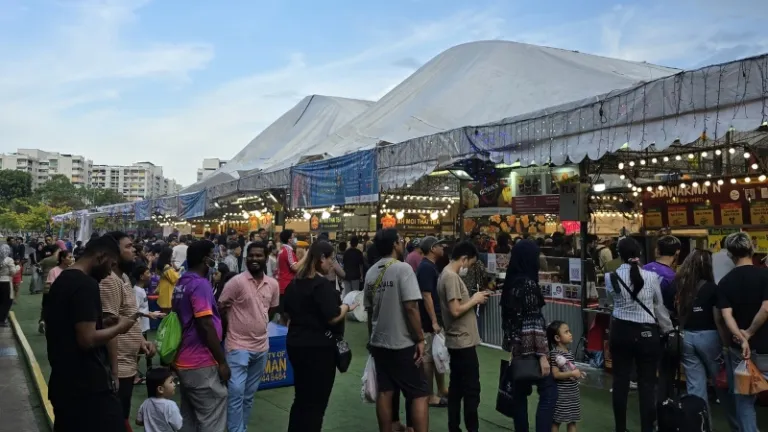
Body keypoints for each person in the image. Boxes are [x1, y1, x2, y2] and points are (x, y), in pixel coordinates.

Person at [46, 234, 137, 432]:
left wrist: (103, 322)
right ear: (101, 257)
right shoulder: (86, 284)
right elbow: (86, 339)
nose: (109, 273)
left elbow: (69, 325)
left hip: (64, 383)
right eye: (111, 265)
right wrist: (121, 327)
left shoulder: (63, 280)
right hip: (87, 388)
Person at [283, 241, 357, 432]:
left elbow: (286, 313)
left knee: (301, 399)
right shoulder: (321, 286)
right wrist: (346, 307)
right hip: (318, 349)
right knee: (316, 404)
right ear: (321, 258)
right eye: (331, 259)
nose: (332, 263)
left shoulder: (294, 284)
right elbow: (332, 317)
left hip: (296, 344)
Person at [365, 228, 430, 432]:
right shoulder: (403, 269)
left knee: (385, 391)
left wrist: (371, 339)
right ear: (395, 244)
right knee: (419, 393)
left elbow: (369, 311)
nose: (403, 243)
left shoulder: (371, 271)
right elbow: (411, 307)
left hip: (379, 342)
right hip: (402, 342)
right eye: (401, 240)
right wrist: (420, 338)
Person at [604, 237, 672, 432]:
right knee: (648, 385)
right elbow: (659, 307)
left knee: (620, 381)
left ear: (619, 254)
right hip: (647, 334)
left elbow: (611, 301)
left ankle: (621, 427)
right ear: (640, 254)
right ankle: (647, 428)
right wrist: (668, 330)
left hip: (621, 331)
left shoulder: (611, 277)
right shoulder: (651, 277)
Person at [218, 241, 280, 432]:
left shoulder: (273, 284)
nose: (254, 259)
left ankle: (240, 428)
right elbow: (221, 306)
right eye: (251, 255)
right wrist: (232, 328)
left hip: (261, 347)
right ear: (246, 258)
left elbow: (272, 309)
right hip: (237, 346)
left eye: (258, 255)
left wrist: (257, 323)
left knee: (249, 395)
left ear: (266, 258)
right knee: (236, 393)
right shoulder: (236, 282)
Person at [675, 249, 738, 430]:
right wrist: (726, 344)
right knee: (722, 385)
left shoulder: (681, 286)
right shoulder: (713, 288)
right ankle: (737, 426)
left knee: (695, 388)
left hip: (686, 337)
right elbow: (718, 319)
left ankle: (700, 426)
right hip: (709, 337)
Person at [172, 240, 228, 432]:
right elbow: (205, 324)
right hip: (201, 361)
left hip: (183, 359)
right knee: (212, 418)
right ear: (206, 260)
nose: (216, 258)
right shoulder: (200, 284)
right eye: (213, 255)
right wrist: (221, 361)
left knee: (189, 418)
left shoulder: (182, 282)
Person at [100, 232, 155, 429]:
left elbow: (130, 316)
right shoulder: (109, 282)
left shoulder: (123, 278)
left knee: (122, 412)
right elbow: (110, 327)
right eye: (128, 246)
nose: (134, 250)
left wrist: (142, 342)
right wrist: (114, 371)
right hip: (119, 366)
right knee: (117, 417)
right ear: (113, 253)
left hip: (128, 364)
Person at [501, 239, 556, 432]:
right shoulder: (529, 285)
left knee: (519, 394)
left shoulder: (510, 284)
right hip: (532, 349)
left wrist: (511, 348)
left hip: (516, 351)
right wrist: (543, 356)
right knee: (549, 391)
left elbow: (509, 323)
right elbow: (533, 322)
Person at [717, 232, 768, 432]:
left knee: (745, 401)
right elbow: (766, 308)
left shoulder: (725, 282)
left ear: (730, 255)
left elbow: (725, 315)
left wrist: (741, 336)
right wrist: (751, 331)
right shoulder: (765, 275)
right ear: (752, 249)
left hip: (741, 352)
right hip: (766, 348)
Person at [437, 241, 490, 432]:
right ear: (464, 258)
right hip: (462, 341)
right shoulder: (451, 277)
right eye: (469, 263)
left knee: (457, 388)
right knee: (471, 391)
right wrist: (475, 299)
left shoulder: (445, 274)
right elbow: (455, 309)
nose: (468, 267)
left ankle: (455, 427)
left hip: (458, 339)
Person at [416, 236, 449, 407]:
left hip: (433, 319)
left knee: (437, 355)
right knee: (429, 358)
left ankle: (441, 389)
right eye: (438, 244)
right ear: (431, 248)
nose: (442, 246)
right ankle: (429, 395)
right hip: (429, 322)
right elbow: (426, 295)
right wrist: (434, 321)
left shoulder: (430, 266)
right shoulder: (426, 268)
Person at [547, 321, 582, 432]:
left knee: (572, 420)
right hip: (562, 394)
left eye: (569, 331)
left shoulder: (569, 352)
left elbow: (570, 368)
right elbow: (556, 374)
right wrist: (572, 373)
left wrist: (577, 372)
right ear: (557, 338)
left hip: (573, 393)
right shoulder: (555, 354)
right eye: (566, 332)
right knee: (556, 421)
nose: (570, 334)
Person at [136, 367, 183, 432]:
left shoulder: (146, 403)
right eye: (171, 382)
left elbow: (138, 421)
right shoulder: (170, 405)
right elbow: (178, 426)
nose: (174, 384)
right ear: (160, 389)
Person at [276, 229, 299, 322]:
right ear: (289, 240)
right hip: (287, 285)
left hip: (282, 284)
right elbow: (295, 267)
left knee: (283, 314)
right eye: (294, 237)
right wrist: (306, 257)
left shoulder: (281, 250)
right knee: (289, 314)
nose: (295, 239)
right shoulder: (288, 251)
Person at [38, 244, 61, 333]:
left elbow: (39, 266)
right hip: (57, 286)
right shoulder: (60, 260)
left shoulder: (46, 260)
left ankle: (43, 320)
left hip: (46, 285)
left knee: (45, 305)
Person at [0, 244, 19, 326]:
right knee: (7, 301)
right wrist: (18, 267)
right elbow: (13, 272)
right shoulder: (9, 260)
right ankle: (2, 319)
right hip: (6, 281)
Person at [156, 247, 179, 313]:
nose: (172, 256)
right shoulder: (167, 267)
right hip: (168, 294)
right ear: (168, 256)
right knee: (168, 317)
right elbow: (175, 279)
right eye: (171, 255)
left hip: (163, 292)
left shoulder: (161, 266)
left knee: (164, 315)